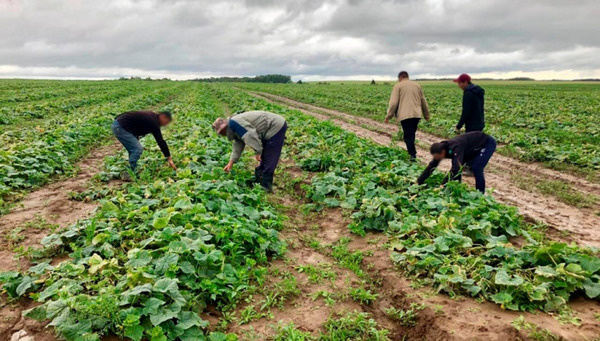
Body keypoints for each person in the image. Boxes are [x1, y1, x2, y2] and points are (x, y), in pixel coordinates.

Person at [212, 111, 287, 191]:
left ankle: (266, 186)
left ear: (225, 125)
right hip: (267, 128)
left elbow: (250, 135)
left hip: (275, 125)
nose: (223, 133)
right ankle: (259, 181)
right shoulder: (232, 128)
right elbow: (239, 143)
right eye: (221, 132)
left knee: (270, 155)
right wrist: (231, 162)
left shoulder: (234, 123)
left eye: (222, 130)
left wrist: (258, 152)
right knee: (264, 155)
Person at [417, 131, 496, 193]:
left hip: (486, 143)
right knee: (459, 167)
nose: (437, 159)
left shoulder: (456, 147)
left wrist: (443, 184)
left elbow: (456, 168)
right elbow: (431, 166)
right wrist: (418, 182)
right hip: (470, 148)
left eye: (438, 157)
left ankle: (480, 194)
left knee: (476, 167)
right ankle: (458, 188)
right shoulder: (440, 150)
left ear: (443, 152)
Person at [385, 71, 430, 161]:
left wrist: (388, 116)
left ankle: (412, 155)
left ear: (400, 78)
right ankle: (411, 152)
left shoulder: (398, 86)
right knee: (411, 134)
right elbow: (423, 101)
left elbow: (393, 103)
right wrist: (426, 114)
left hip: (405, 115)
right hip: (417, 114)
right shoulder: (417, 85)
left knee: (407, 136)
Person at [111, 111, 176, 173]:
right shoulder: (153, 122)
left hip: (120, 125)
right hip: (120, 127)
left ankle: (132, 169)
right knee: (137, 149)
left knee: (133, 149)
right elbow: (160, 141)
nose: (165, 124)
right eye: (166, 122)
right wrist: (169, 158)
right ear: (163, 116)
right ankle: (130, 171)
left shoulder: (152, 117)